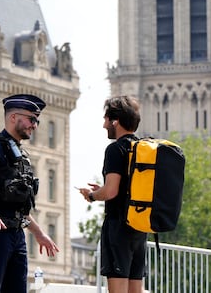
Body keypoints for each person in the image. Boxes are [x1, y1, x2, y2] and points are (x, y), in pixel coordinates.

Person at [0, 94, 59, 292]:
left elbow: (18, 205)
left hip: (17, 234)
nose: (34, 125)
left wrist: (39, 232)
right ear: (13, 117)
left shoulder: (20, 156)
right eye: (31, 119)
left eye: (37, 120)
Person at [78, 96, 148, 293]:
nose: (104, 125)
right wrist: (103, 188)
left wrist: (92, 195)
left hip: (119, 226)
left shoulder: (115, 149)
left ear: (115, 121)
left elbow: (111, 191)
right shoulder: (142, 148)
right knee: (136, 288)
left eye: (106, 119)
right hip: (140, 226)